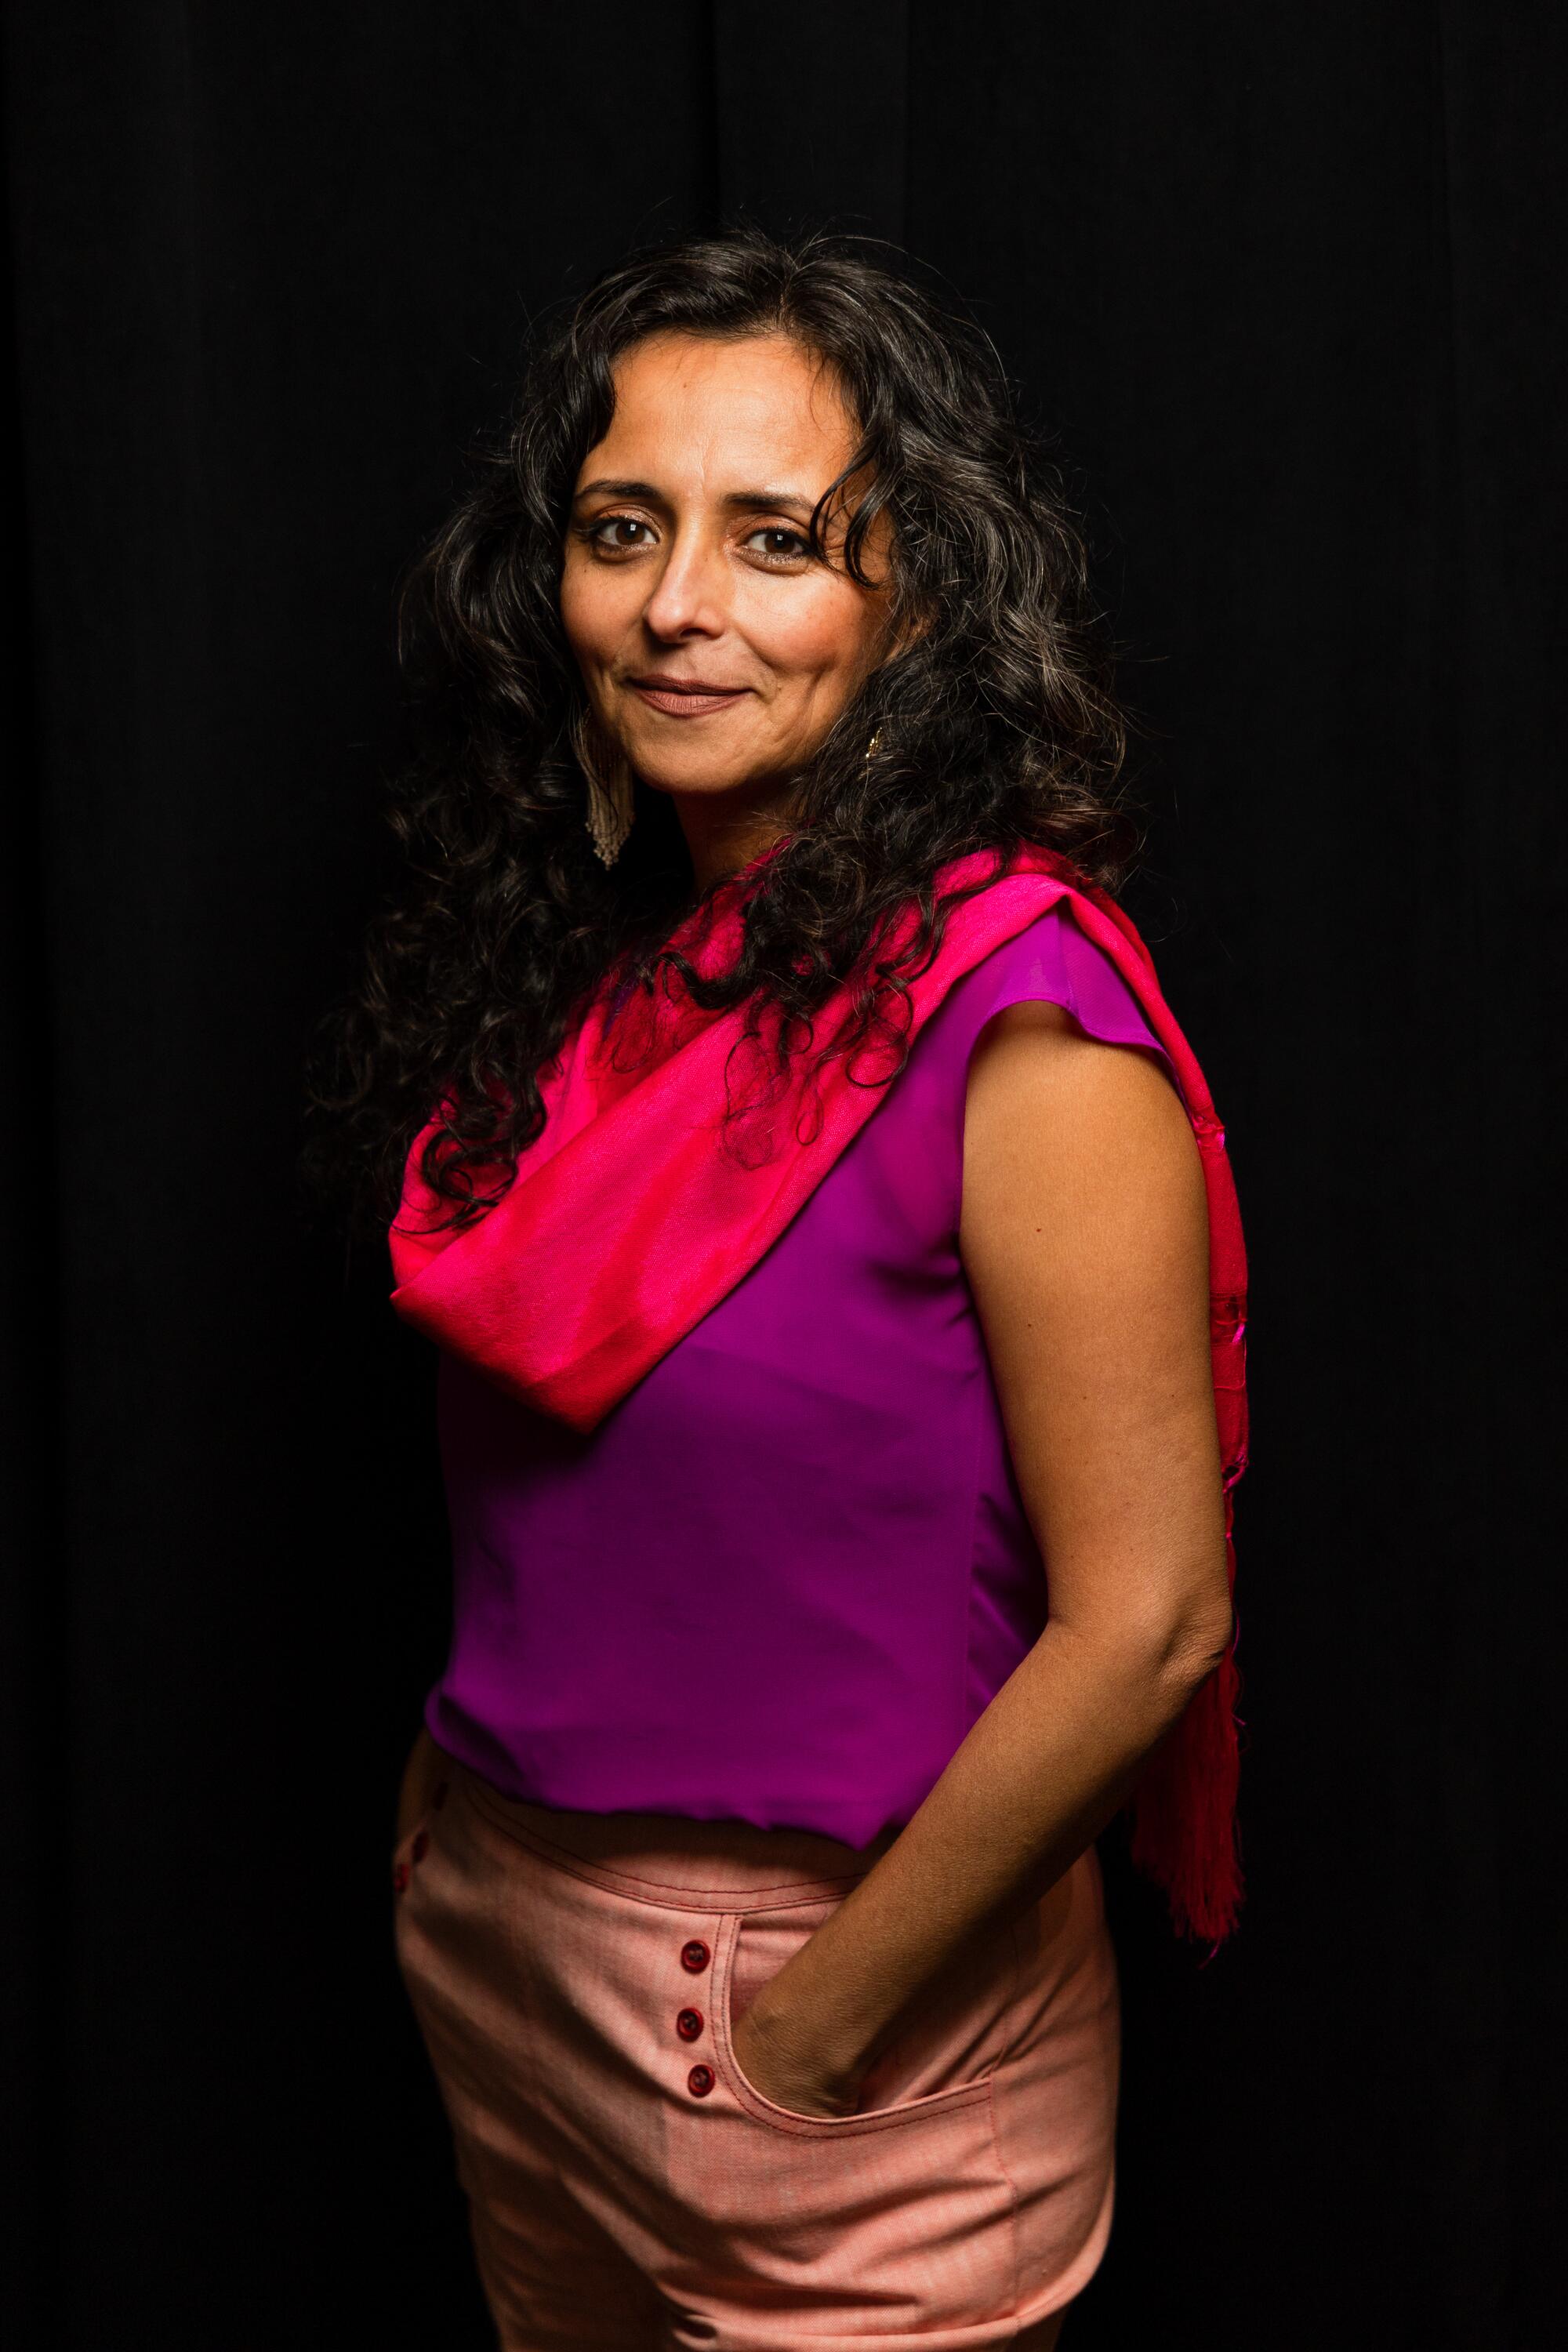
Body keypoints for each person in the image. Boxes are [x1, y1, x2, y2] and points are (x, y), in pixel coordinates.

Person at [308, 227, 1248, 2349]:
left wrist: (809, 2038)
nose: (675, 607)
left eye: (778, 540)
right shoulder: (607, 969)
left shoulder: (1025, 1021)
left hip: (835, 2035)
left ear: (913, 594)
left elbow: (1155, 1619)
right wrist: (455, 1844)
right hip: (508, 1963)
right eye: (624, 528)